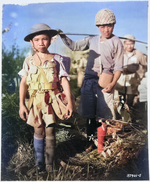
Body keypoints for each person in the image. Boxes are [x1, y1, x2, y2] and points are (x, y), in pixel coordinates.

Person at [59, 9, 124, 152]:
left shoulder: (117, 42)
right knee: (89, 114)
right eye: (102, 26)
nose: (106, 29)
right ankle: (89, 142)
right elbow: (74, 46)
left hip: (106, 81)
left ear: (114, 24)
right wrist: (63, 36)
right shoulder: (92, 39)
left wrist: (112, 84)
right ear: (97, 27)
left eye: (109, 25)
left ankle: (101, 144)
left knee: (103, 115)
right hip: (89, 80)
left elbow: (119, 67)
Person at [18, 23, 73, 172]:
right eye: (37, 40)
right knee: (38, 130)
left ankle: (49, 166)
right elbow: (23, 83)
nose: (41, 42)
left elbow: (64, 81)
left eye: (45, 39)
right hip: (36, 101)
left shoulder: (57, 59)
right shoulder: (28, 60)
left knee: (50, 130)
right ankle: (39, 166)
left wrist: (70, 103)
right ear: (32, 42)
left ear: (50, 40)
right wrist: (22, 104)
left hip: (51, 100)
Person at [115, 34, 147, 108]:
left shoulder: (138, 53)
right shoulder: (120, 53)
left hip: (132, 80)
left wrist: (140, 76)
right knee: (119, 98)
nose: (129, 46)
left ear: (134, 44)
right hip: (120, 78)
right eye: (127, 44)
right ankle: (121, 115)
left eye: (131, 44)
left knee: (130, 99)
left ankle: (130, 114)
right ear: (124, 43)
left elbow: (145, 66)